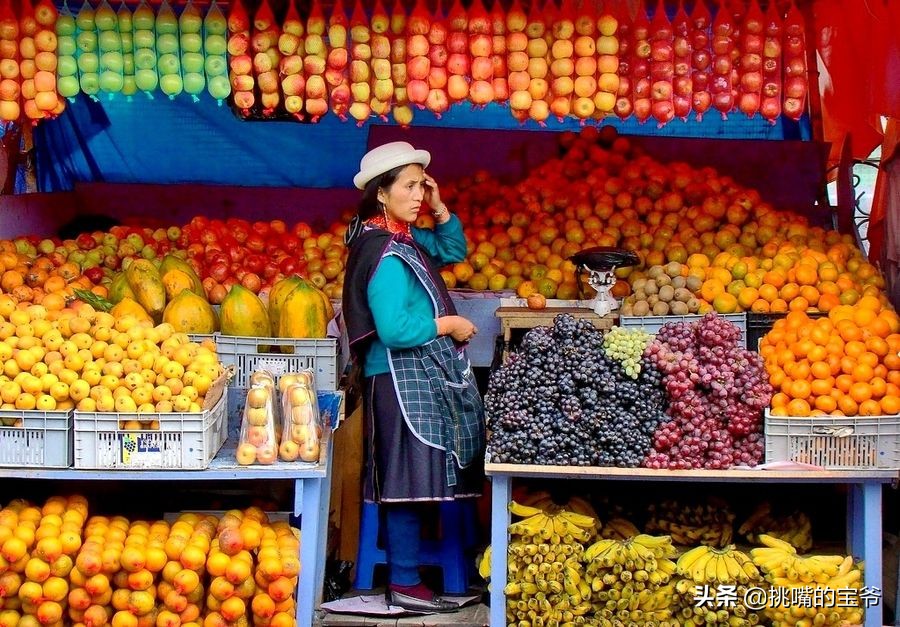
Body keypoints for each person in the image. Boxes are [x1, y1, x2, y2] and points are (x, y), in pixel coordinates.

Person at [342, 141, 486, 613]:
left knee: (419, 473)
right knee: (406, 479)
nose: (419, 194)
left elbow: (453, 248)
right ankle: (404, 580)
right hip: (395, 377)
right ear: (381, 194)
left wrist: (440, 207)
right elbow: (394, 330)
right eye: (409, 186)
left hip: (410, 374)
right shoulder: (385, 252)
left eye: (422, 185)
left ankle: (417, 576)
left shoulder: (403, 239)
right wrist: (448, 324)